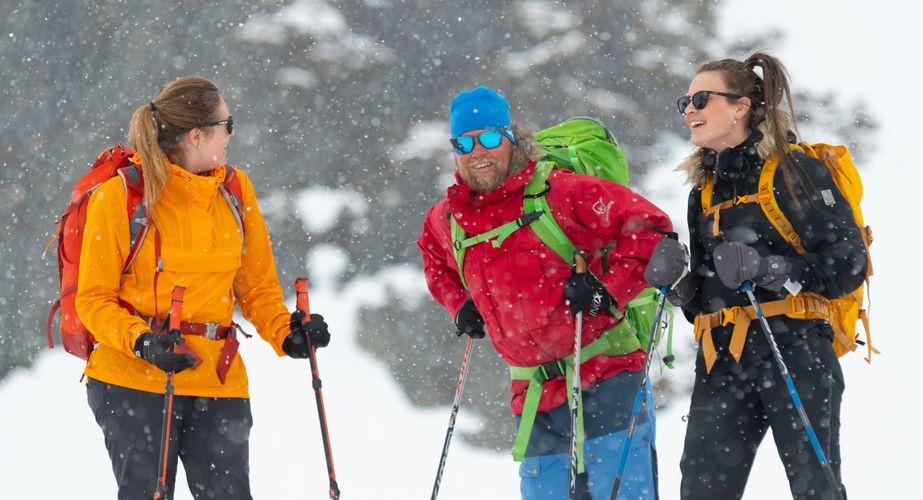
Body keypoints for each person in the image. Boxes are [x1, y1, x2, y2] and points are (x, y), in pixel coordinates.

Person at [76, 76, 331, 500]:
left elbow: (258, 289)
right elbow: (93, 299)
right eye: (226, 123)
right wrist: (143, 342)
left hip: (218, 378)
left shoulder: (234, 190)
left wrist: (288, 333)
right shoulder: (121, 197)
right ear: (197, 135)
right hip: (134, 378)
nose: (233, 134)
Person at [417, 86, 672, 499]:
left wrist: (605, 294)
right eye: (464, 142)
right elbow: (433, 257)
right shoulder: (449, 219)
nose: (476, 151)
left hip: (608, 375)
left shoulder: (560, 191)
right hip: (534, 397)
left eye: (488, 138)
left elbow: (651, 228)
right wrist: (459, 303)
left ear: (511, 137)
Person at [645, 52, 868, 499]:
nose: (689, 109)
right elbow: (709, 299)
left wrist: (774, 270)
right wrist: (683, 289)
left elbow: (849, 263)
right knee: (702, 490)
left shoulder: (797, 170)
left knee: (816, 488)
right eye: (685, 101)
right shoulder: (702, 191)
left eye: (702, 99)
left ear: (742, 106)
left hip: (798, 348)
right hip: (723, 359)